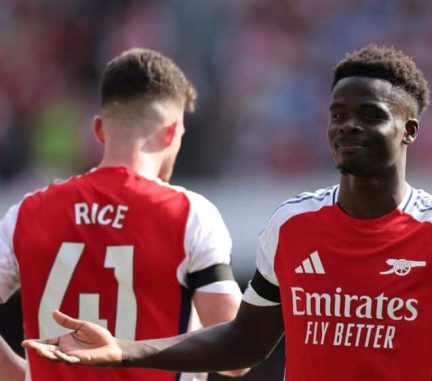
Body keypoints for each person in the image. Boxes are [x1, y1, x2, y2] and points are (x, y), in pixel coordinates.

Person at [23, 44, 432, 381]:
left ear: (410, 130)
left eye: (368, 115)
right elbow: (247, 338)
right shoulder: (291, 227)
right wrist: (128, 352)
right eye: (336, 115)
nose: (347, 127)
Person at [1, 48, 247, 380]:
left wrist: (19, 375)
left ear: (99, 130)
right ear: (172, 132)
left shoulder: (27, 213)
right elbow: (236, 355)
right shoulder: (189, 215)